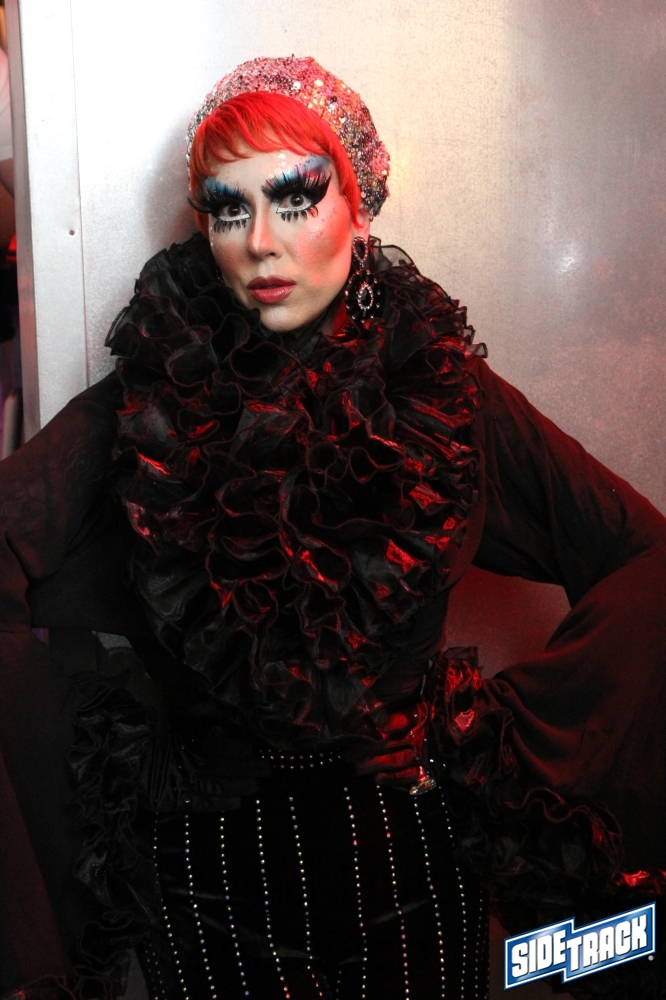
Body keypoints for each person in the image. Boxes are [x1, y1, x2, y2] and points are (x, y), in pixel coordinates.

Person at [0, 55, 665, 1000]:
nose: (260, 242)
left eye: (295, 199)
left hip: (414, 866)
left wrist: (494, 739)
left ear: (360, 207)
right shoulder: (153, 401)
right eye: (227, 208)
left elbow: (644, 556)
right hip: (208, 887)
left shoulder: (440, 393)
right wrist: (114, 759)